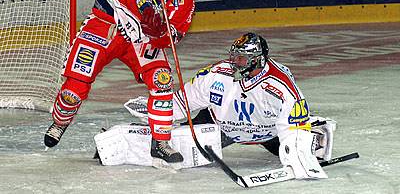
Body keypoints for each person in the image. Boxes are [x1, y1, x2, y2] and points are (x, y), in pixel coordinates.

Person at [44, 0, 217, 165]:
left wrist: (157, 32)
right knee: (75, 88)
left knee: (162, 82)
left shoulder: (186, 3)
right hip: (108, 22)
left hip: (142, 40)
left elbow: (172, 37)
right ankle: (59, 122)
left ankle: (160, 142)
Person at [123, 32, 335, 178]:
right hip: (221, 127)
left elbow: (292, 127)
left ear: (257, 60)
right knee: (180, 148)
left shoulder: (280, 86)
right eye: (233, 56)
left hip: (267, 132)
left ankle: (316, 129)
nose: (234, 62)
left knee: (303, 149)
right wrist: (160, 113)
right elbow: (182, 102)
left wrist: (299, 154)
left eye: (241, 59)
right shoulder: (216, 75)